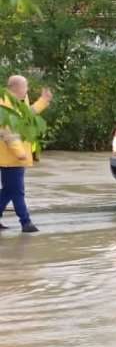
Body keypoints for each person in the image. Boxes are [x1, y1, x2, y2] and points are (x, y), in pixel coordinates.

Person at [0, 76, 52, 233]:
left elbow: (28, 115)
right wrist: (20, 153)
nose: (27, 90)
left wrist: (43, 101)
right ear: (15, 87)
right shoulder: (4, 105)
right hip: (11, 158)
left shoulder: (18, 102)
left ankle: (24, 222)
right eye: (25, 87)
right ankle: (26, 223)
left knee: (9, 191)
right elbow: (7, 133)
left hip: (14, 158)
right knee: (17, 191)